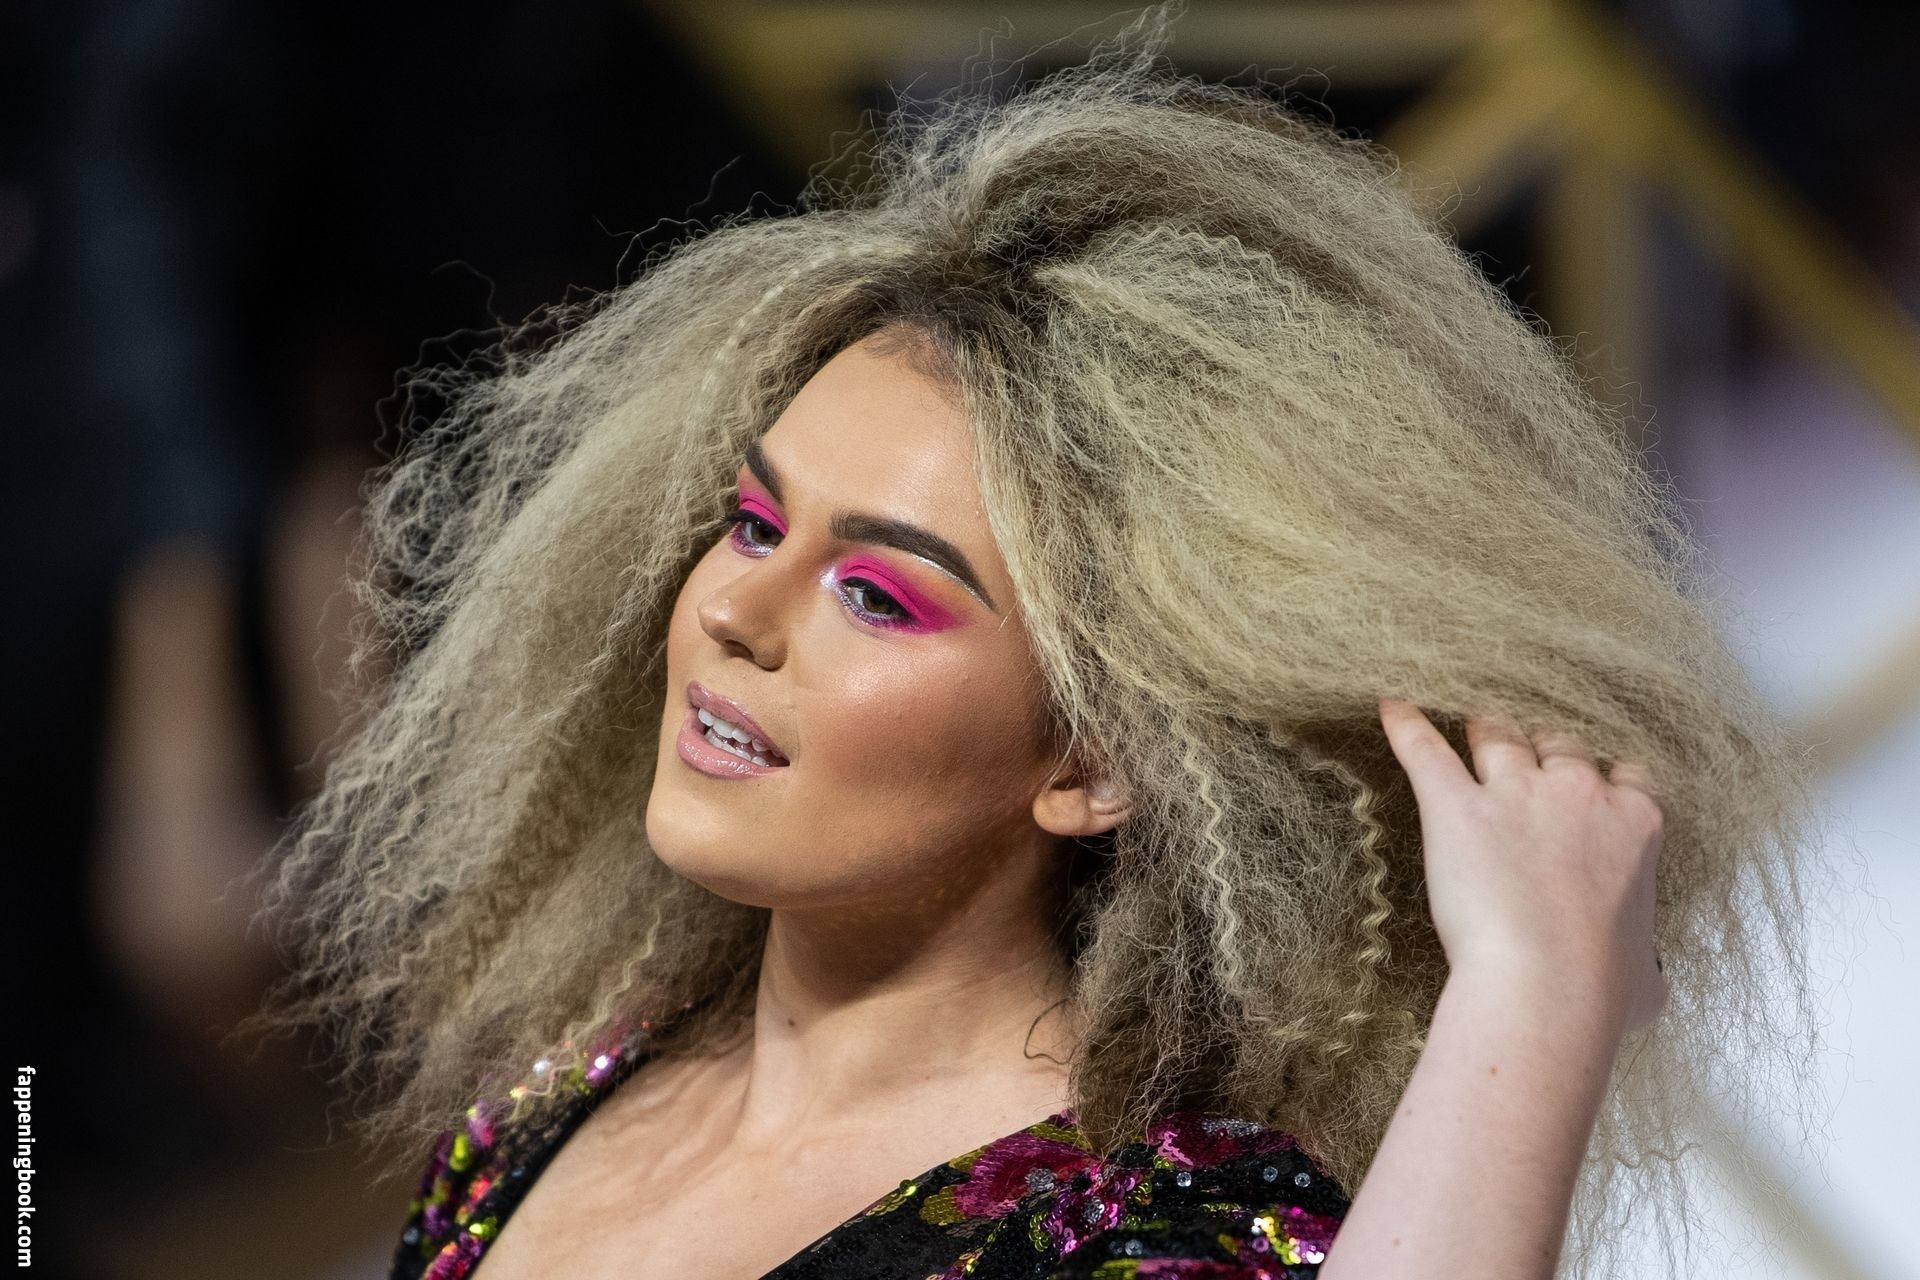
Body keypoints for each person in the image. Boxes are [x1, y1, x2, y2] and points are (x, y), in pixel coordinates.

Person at [245, 5, 1829, 1277]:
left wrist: (1535, 997)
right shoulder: (557, 1098)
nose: (734, 610)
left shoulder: (1147, 1229)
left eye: (879, 595)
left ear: (1092, 763)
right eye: (754, 522)